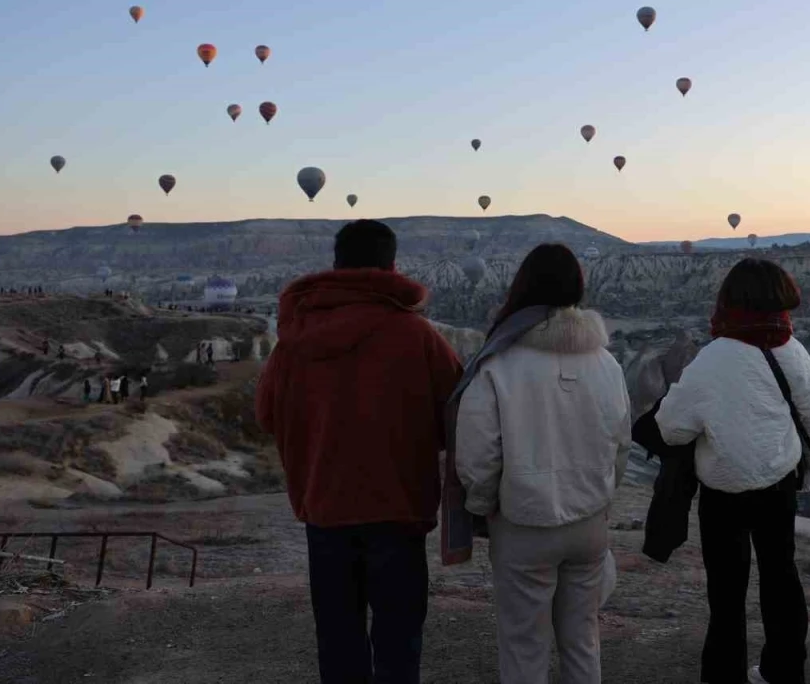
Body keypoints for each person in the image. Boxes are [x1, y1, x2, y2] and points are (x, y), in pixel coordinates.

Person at [256, 219, 463, 684]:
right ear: (392, 266)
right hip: (398, 510)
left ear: (336, 264)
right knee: (398, 641)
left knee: (337, 638)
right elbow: (459, 419)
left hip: (325, 509)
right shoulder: (419, 336)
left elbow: (267, 414)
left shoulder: (294, 341)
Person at [455, 243, 632, 684]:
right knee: (582, 639)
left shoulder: (498, 363)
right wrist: (603, 496)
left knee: (524, 645)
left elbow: (478, 456)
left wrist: (481, 507)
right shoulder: (607, 364)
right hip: (589, 522)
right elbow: (621, 444)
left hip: (523, 523)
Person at [653, 258, 810, 684]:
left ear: (729, 300)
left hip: (724, 491)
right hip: (778, 483)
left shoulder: (713, 358)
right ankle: (784, 671)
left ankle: (723, 675)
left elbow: (671, 427)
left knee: (727, 595)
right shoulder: (792, 349)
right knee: (782, 579)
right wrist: (809, 470)